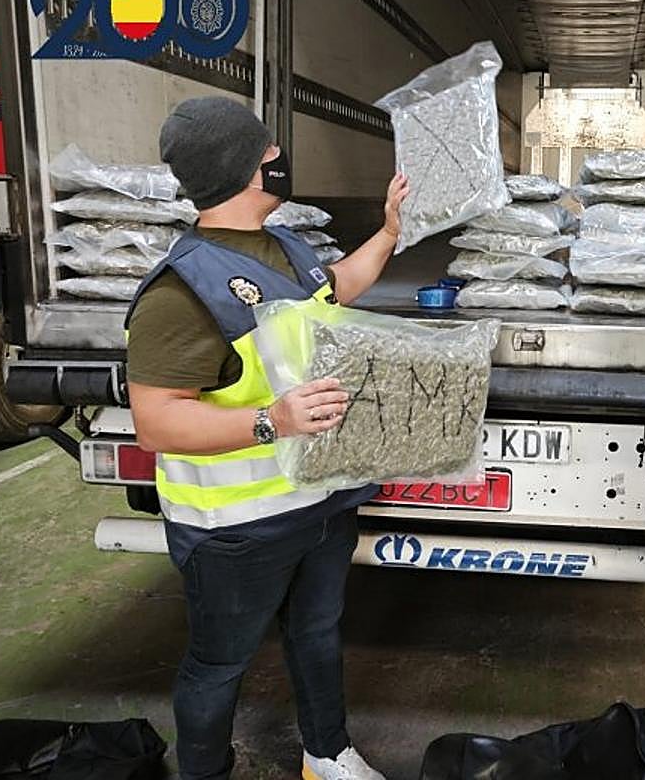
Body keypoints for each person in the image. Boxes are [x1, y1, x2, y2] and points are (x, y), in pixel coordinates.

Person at [126, 96, 407, 780]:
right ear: (250, 170)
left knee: (315, 633)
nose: (281, 158)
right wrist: (269, 422)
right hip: (236, 529)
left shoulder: (284, 247)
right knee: (218, 665)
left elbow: (334, 289)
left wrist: (390, 232)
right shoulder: (179, 292)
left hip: (317, 502)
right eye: (271, 151)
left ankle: (326, 753)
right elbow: (156, 421)